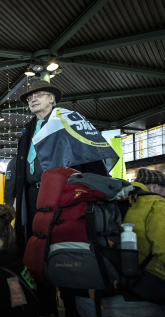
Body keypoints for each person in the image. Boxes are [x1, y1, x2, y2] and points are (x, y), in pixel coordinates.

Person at [75, 168, 165, 317]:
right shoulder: (155, 203)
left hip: (87, 301)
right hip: (137, 304)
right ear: (154, 187)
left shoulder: (100, 199)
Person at [12, 81, 109, 252]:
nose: (33, 99)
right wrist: (16, 197)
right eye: (30, 98)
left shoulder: (68, 121)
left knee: (58, 234)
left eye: (39, 95)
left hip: (61, 193)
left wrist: (104, 188)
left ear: (52, 99)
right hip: (31, 194)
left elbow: (89, 155)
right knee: (34, 237)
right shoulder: (27, 130)